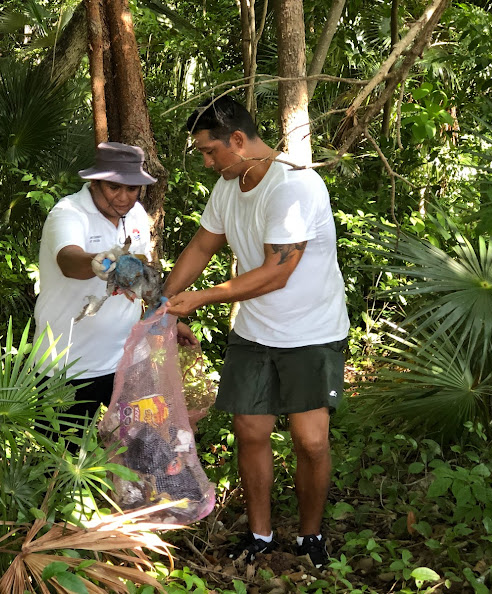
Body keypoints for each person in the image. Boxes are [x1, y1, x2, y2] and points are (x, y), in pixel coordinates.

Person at [164, 96, 350, 567]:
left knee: (311, 440)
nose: (207, 163)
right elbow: (202, 245)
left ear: (240, 140)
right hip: (255, 331)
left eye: (210, 151)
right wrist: (164, 301)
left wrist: (203, 297)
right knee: (250, 431)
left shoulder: (295, 185)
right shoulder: (230, 186)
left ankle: (311, 536)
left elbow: (276, 272)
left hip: (310, 331)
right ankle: (260, 535)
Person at [33, 142, 159, 422]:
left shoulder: (136, 214)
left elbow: (141, 278)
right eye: (115, 187)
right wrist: (95, 261)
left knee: (141, 452)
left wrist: (164, 312)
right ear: (94, 182)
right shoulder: (68, 213)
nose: (124, 197)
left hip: (127, 359)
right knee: (61, 461)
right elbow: (69, 259)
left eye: (132, 188)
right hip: (66, 367)